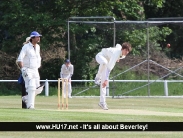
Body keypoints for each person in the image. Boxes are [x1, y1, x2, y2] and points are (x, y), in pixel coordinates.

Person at [95, 42, 132, 110]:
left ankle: (102, 102)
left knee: (103, 84)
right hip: (100, 56)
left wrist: (118, 58)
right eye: (126, 50)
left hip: (106, 62)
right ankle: (97, 77)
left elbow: (118, 45)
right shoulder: (116, 54)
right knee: (104, 62)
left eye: (128, 51)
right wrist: (106, 79)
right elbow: (109, 68)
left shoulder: (122, 54)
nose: (127, 52)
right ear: (122, 49)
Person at [16, 31, 44, 109]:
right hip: (27, 69)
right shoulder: (26, 47)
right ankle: (30, 106)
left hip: (35, 70)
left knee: (39, 88)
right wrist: (23, 70)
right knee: (31, 86)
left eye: (39, 37)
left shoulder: (38, 47)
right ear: (32, 38)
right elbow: (20, 59)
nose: (39, 38)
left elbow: (38, 58)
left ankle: (26, 98)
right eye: (37, 37)